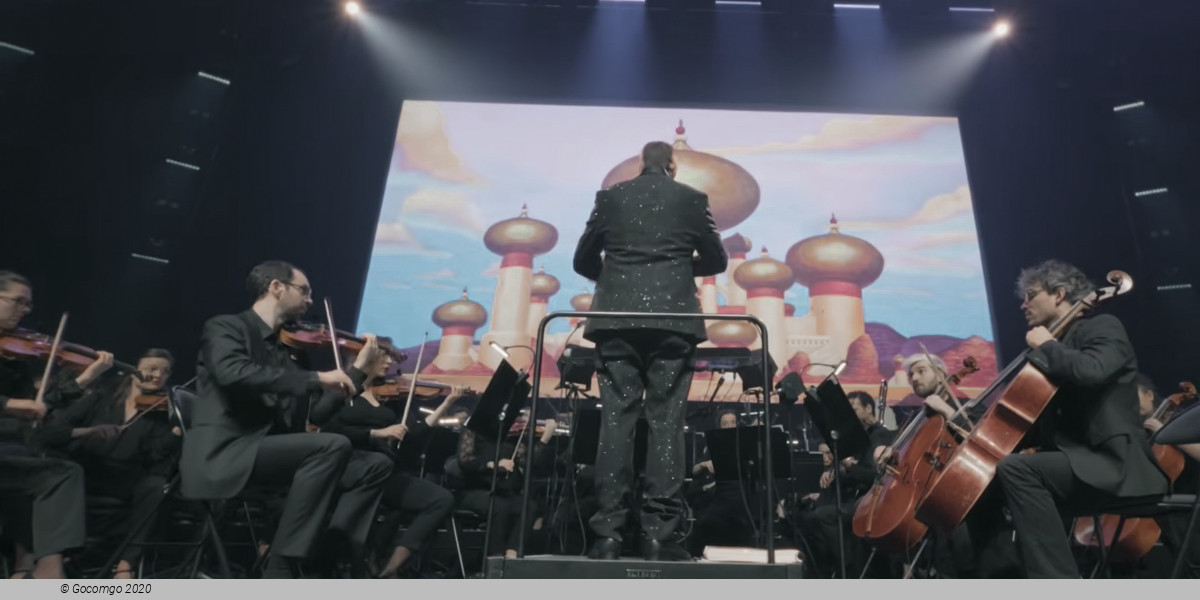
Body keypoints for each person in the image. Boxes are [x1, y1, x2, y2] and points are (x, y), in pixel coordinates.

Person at [178, 260, 391, 578]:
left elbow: (316, 416)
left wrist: (357, 369)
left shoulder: (291, 350)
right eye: (304, 291)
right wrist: (317, 378)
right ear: (276, 287)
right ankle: (282, 567)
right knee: (332, 447)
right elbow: (233, 373)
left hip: (269, 453)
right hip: (227, 452)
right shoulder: (226, 327)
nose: (310, 300)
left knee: (374, 465)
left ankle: (327, 561)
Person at [573, 140, 727, 561]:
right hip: (673, 322)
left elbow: (582, 260)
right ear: (673, 166)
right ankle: (658, 535)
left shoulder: (610, 198)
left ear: (639, 164)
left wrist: (618, 273)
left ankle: (608, 534)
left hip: (616, 321)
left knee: (615, 423)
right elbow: (716, 261)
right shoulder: (693, 199)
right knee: (666, 423)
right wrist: (676, 267)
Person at [992, 259, 1168, 578]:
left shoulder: (1102, 326)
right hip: (1078, 464)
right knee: (986, 482)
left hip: (1113, 464)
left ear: (1059, 294)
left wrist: (1047, 345)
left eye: (1031, 295)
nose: (1023, 304)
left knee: (1018, 469)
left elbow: (1092, 371)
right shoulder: (1055, 349)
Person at [311, 340, 458, 578]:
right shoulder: (343, 389)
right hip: (351, 468)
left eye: (391, 357)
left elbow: (413, 436)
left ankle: (393, 566)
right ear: (366, 355)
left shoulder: (391, 396)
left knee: (441, 499)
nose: (390, 361)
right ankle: (355, 561)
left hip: (386, 470)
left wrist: (446, 404)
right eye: (384, 355)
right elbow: (327, 428)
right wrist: (375, 433)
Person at [40, 348, 181, 578]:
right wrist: (87, 432)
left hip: (126, 481)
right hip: (85, 474)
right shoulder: (101, 399)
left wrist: (176, 433)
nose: (158, 375)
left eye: (165, 372)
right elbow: (52, 433)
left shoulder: (160, 411)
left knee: (155, 486)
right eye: (152, 368)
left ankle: (126, 564)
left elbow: (155, 457)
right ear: (133, 371)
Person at [0, 270, 100, 579]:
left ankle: (37, 568)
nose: (25, 310)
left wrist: (84, 379)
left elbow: (40, 404)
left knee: (57, 470)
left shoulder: (13, 355)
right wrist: (11, 405)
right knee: (57, 472)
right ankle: (43, 571)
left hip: (9, 447)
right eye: (18, 301)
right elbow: (20, 406)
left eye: (28, 304)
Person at [1136, 374, 1200, 574]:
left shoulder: (1181, 420)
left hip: (1188, 498)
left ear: (1149, 395)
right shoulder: (1137, 429)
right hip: (1163, 499)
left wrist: (1165, 431)